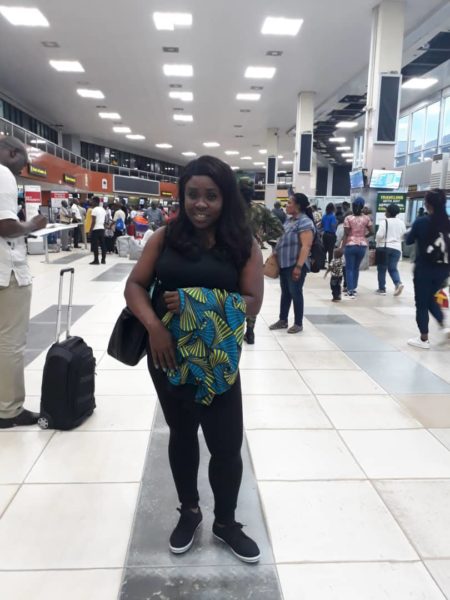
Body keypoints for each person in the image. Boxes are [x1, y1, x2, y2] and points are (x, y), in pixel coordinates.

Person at [124, 155, 263, 563]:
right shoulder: (164, 238)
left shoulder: (243, 244)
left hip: (218, 361)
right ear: (182, 196)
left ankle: (226, 522)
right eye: (193, 194)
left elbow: (253, 302)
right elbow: (135, 285)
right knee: (182, 435)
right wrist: (155, 327)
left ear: (226, 199)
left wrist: (194, 301)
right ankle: (189, 511)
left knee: (226, 445)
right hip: (168, 357)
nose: (200, 204)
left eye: (211, 196)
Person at [0, 137, 47, 428]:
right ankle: (8, 410)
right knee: (10, 342)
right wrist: (32, 225)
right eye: (23, 162)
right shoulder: (3, 173)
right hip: (6, 272)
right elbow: (5, 226)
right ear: (12, 152)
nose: (22, 169)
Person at [239, 177, 283, 344]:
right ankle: (250, 331)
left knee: (233, 290)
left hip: (231, 253)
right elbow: (279, 229)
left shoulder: (230, 208)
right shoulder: (260, 209)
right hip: (253, 254)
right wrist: (261, 238)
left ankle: (234, 328)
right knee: (251, 291)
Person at [405, 189, 450, 349]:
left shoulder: (422, 222)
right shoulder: (448, 222)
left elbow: (409, 240)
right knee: (431, 298)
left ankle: (423, 338)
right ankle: (444, 326)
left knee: (422, 303)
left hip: (424, 268)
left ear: (427, 204)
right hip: (443, 269)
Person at [269, 193, 315, 333]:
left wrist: (299, 267)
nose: (286, 205)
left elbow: (306, 246)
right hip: (284, 264)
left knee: (295, 292)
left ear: (298, 206)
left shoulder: (305, 222)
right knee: (285, 293)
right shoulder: (289, 220)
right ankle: (283, 320)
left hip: (295, 264)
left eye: (289, 203)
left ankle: (298, 323)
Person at [342, 197, 373, 298]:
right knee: (356, 268)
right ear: (363, 207)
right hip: (362, 246)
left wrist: (341, 247)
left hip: (350, 245)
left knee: (349, 268)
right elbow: (372, 232)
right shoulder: (367, 218)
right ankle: (354, 288)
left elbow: (346, 234)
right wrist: (364, 236)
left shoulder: (348, 218)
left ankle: (350, 290)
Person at [375, 203, 406, 296]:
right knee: (393, 268)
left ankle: (382, 289)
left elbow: (379, 235)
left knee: (382, 268)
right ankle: (398, 283)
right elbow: (404, 236)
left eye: (386, 210)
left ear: (388, 212)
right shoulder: (401, 223)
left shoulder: (384, 222)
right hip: (397, 248)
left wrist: (377, 241)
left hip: (384, 247)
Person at [90, 196, 106, 265]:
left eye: (92, 201)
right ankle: (103, 260)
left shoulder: (94, 210)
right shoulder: (103, 209)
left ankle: (96, 260)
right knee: (103, 245)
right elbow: (104, 220)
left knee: (95, 245)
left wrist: (90, 230)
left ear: (95, 202)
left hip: (95, 229)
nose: (91, 202)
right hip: (102, 228)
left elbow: (93, 221)